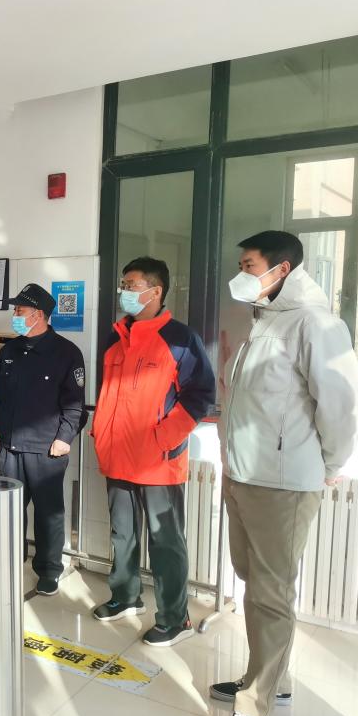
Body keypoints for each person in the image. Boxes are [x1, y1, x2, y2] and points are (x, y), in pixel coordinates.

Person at [212, 231, 358, 716]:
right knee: (253, 581)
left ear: (282, 269)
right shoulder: (263, 321)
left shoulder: (316, 324)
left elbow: (342, 405)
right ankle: (272, 678)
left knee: (270, 593)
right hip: (245, 475)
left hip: (284, 483)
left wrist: (331, 465)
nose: (241, 273)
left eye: (248, 265)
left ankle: (254, 704)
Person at [91, 257, 215, 646]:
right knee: (122, 534)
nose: (123, 292)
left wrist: (164, 438)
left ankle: (175, 619)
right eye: (123, 285)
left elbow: (200, 395)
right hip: (117, 455)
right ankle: (125, 596)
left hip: (157, 460)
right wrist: (101, 434)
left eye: (131, 285)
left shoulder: (180, 339)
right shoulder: (115, 337)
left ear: (155, 291)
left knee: (166, 541)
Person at [0, 283, 86, 595]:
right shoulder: (9, 351)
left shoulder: (66, 353)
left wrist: (65, 437)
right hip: (10, 446)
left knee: (48, 513)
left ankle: (48, 570)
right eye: (15, 310)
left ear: (39, 315)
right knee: (10, 509)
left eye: (20, 310)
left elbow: (75, 404)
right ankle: (11, 559)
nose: (15, 315)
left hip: (46, 449)